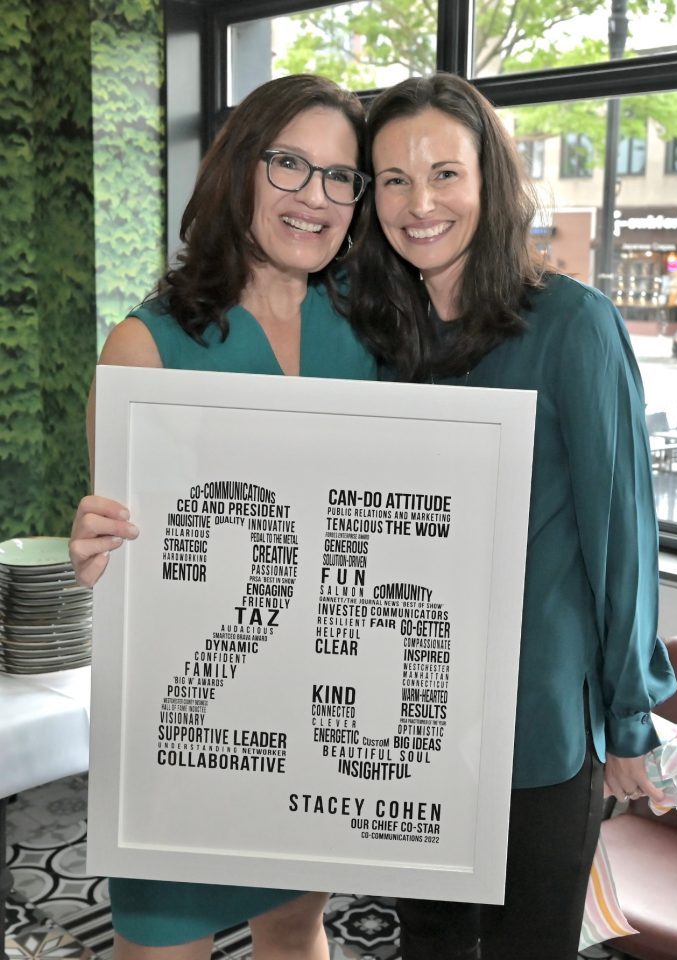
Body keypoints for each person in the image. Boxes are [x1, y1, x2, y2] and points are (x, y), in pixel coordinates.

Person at [348, 73, 677, 960]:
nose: (420, 204)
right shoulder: (386, 342)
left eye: (445, 174)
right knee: (428, 943)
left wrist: (632, 720)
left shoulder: (573, 325)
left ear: (491, 180)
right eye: (393, 180)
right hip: (416, 719)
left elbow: (622, 541)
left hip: (539, 732)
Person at [69, 74, 375, 960]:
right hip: (190, 714)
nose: (314, 196)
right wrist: (98, 542)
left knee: (295, 923)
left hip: (311, 705)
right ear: (241, 168)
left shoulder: (370, 335)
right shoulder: (147, 344)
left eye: (340, 177)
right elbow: (125, 547)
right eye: (290, 165)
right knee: (162, 939)